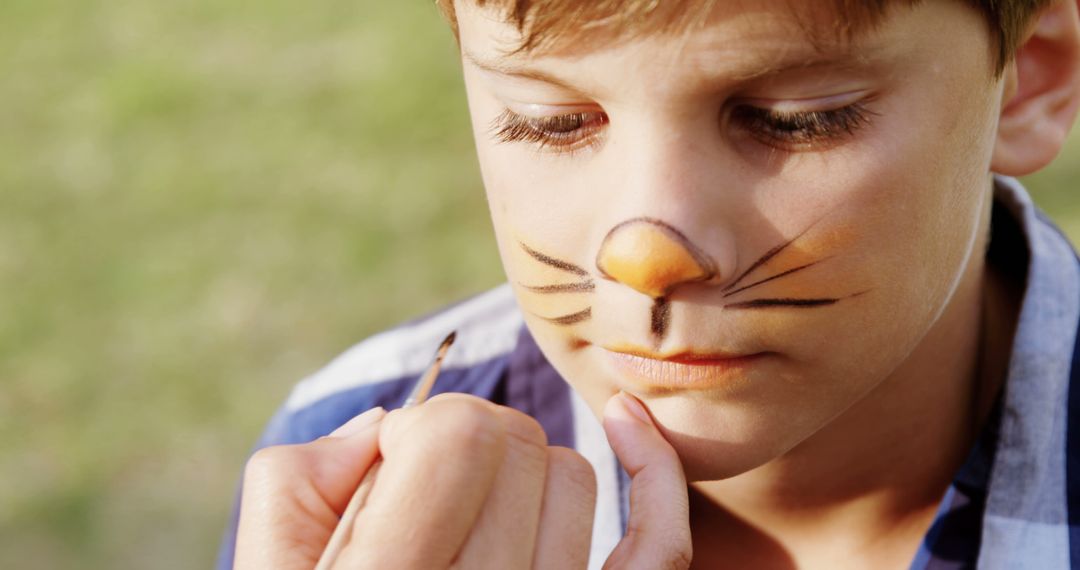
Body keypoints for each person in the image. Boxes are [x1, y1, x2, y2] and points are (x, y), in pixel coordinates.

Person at [219, 0, 1080, 567]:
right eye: (550, 122)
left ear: (1030, 81)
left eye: (797, 118)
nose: (646, 253)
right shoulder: (343, 462)